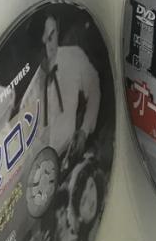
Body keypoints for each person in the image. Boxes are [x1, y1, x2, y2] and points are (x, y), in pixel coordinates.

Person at [20, 14, 101, 168]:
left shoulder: (74, 57)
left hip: (76, 155)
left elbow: (94, 88)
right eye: (43, 43)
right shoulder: (28, 100)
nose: (49, 48)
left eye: (52, 36)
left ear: (57, 31)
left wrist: (84, 131)